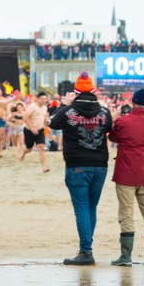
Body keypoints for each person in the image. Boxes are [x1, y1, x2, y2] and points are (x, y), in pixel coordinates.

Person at [48, 72, 112, 265]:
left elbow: (51, 123)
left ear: (75, 92)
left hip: (77, 164)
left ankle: (86, 251)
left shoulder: (68, 111)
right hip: (100, 164)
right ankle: (86, 249)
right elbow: (109, 128)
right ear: (93, 91)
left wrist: (64, 104)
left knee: (82, 208)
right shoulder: (104, 111)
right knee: (91, 207)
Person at [108, 89, 144, 266]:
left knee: (126, 213)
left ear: (133, 102)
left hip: (126, 173)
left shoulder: (123, 121)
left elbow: (113, 136)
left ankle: (126, 256)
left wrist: (116, 117)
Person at [18, 91, 50, 173]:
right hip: (29, 130)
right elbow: (25, 117)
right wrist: (32, 128)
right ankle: (23, 153)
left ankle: (44, 167)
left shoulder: (45, 108)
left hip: (40, 129)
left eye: (45, 99)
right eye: (42, 99)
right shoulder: (32, 106)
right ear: (38, 99)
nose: (43, 101)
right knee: (29, 148)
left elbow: (43, 118)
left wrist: (47, 126)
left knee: (41, 147)